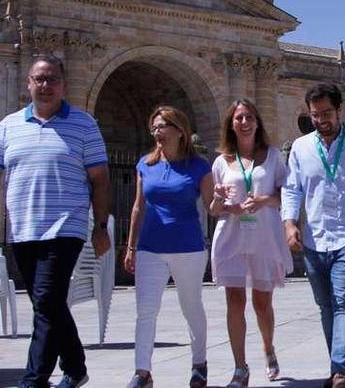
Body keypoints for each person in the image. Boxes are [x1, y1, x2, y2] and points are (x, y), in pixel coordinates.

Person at [0, 56, 110, 388]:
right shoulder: (7, 126)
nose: (46, 85)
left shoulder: (84, 124)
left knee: (46, 300)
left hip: (66, 225)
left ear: (63, 84)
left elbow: (101, 178)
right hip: (22, 228)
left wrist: (100, 226)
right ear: (28, 83)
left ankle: (34, 380)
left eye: (52, 79)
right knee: (46, 303)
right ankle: (75, 368)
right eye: (39, 79)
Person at [281, 83, 345, 388]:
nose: (321, 119)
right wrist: (290, 223)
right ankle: (336, 364)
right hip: (314, 239)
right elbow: (292, 189)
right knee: (325, 305)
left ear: (339, 111)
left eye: (326, 113)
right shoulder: (300, 148)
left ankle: (341, 370)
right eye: (315, 114)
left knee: (342, 301)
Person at [123, 106, 212, 388]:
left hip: (189, 248)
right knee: (145, 310)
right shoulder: (144, 165)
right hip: (150, 247)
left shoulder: (199, 166)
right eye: (154, 128)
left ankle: (199, 364)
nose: (157, 132)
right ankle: (142, 372)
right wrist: (130, 246)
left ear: (179, 130)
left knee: (191, 307)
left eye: (163, 126)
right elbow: (138, 207)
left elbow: (212, 206)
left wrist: (224, 201)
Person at [208, 99, 293, 388]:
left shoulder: (272, 157)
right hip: (231, 236)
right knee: (234, 300)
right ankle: (240, 367)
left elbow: (286, 195)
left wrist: (264, 200)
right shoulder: (222, 161)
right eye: (238, 118)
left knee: (261, 302)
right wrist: (222, 201)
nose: (243, 122)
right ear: (230, 124)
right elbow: (212, 208)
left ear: (257, 122)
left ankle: (268, 348)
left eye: (248, 117)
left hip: (264, 235)